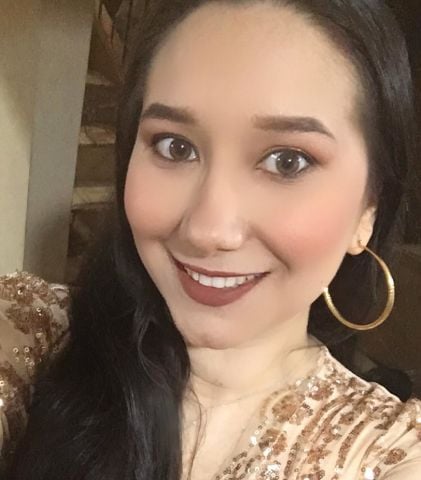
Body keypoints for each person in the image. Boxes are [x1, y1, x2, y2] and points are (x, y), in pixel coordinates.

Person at [1, 0, 420, 478]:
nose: (208, 230)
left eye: (287, 161)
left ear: (369, 208)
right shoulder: (32, 333)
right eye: (175, 146)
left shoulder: (391, 453)